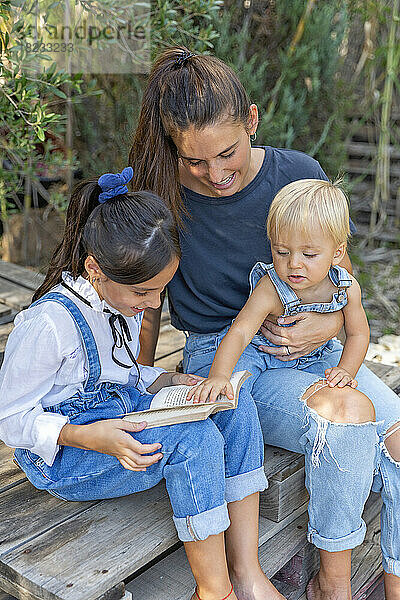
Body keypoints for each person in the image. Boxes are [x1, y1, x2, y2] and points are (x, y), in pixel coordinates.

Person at [129, 47, 400, 600]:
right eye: (195, 161)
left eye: (227, 152)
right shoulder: (160, 192)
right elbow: (148, 302)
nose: (215, 174)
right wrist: (137, 376)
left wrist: (329, 330)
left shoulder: (299, 175)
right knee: (345, 415)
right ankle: (333, 584)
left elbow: (339, 274)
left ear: (251, 120)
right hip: (228, 360)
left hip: (314, 344)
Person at [0, 167, 281, 600]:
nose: (152, 305)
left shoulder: (118, 305)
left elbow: (122, 375)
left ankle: (247, 570)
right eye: (143, 293)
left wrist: (167, 379)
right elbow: (11, 420)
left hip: (120, 415)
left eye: (159, 293)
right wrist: (87, 435)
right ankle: (214, 590)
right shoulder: (47, 325)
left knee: (234, 403)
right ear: (96, 272)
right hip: (69, 455)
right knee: (196, 439)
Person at [187, 179, 370, 406]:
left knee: (347, 397)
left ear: (337, 253)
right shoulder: (271, 288)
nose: (294, 263)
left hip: (315, 355)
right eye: (282, 252)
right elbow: (241, 332)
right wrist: (219, 376)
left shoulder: (346, 287)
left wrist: (346, 370)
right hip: (260, 354)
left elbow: (358, 334)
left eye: (309, 255)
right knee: (233, 395)